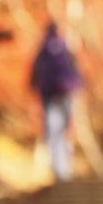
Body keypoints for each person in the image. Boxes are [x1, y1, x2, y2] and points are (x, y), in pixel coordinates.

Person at [29, 20, 83, 181]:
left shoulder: (43, 50)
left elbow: (34, 75)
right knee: (66, 131)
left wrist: (36, 88)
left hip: (50, 96)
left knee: (54, 133)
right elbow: (75, 71)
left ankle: (59, 170)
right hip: (67, 94)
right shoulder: (66, 48)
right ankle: (66, 167)